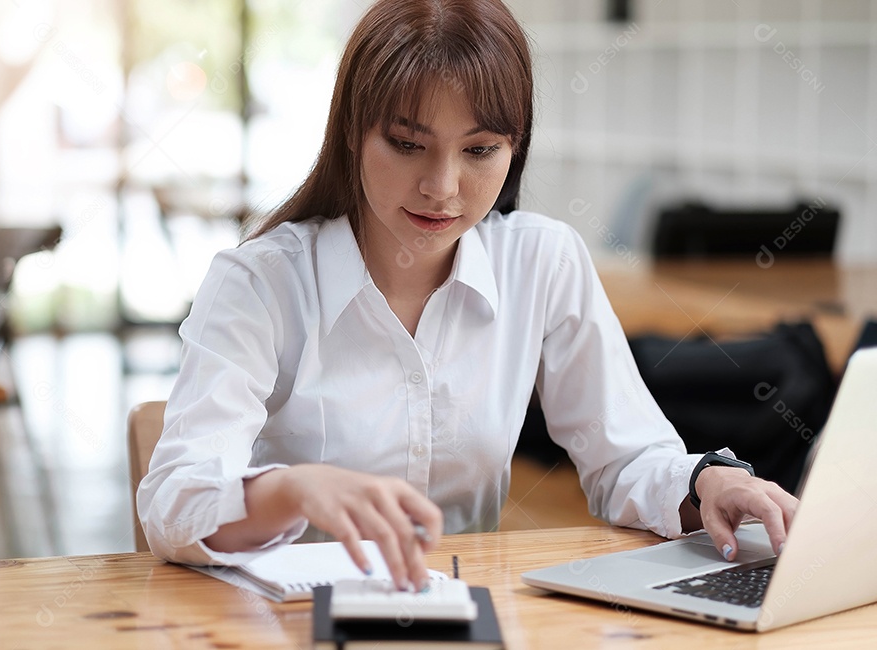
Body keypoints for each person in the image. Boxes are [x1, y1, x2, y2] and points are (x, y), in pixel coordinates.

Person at [137, 0, 798, 593]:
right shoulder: (260, 282)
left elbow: (626, 458)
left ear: (515, 150)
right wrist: (291, 489)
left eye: (480, 150)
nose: (443, 186)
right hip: (282, 625)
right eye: (407, 145)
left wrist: (706, 480)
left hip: (467, 614)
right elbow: (174, 502)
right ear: (352, 132)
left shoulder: (542, 259)